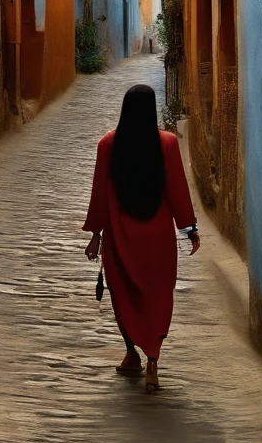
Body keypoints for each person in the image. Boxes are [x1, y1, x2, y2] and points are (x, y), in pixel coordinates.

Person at [83, 84, 200, 393]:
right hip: (157, 237)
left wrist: (96, 234)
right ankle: (152, 361)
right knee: (158, 295)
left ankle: (131, 353)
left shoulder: (108, 144)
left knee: (124, 294)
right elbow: (177, 190)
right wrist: (189, 227)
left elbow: (99, 195)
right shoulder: (168, 144)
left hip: (121, 236)